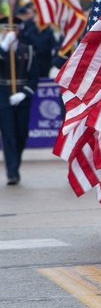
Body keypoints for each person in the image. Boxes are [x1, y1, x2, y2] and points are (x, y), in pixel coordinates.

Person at [0, 18, 39, 185]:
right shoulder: (1, 49)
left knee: (21, 134)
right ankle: (12, 172)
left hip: (22, 95)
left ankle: (16, 164)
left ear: (18, 30)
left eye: (13, 28)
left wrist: (24, 94)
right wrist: (2, 47)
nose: (10, 31)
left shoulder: (28, 50)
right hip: (3, 94)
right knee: (9, 134)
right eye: (6, 28)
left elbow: (34, 76)